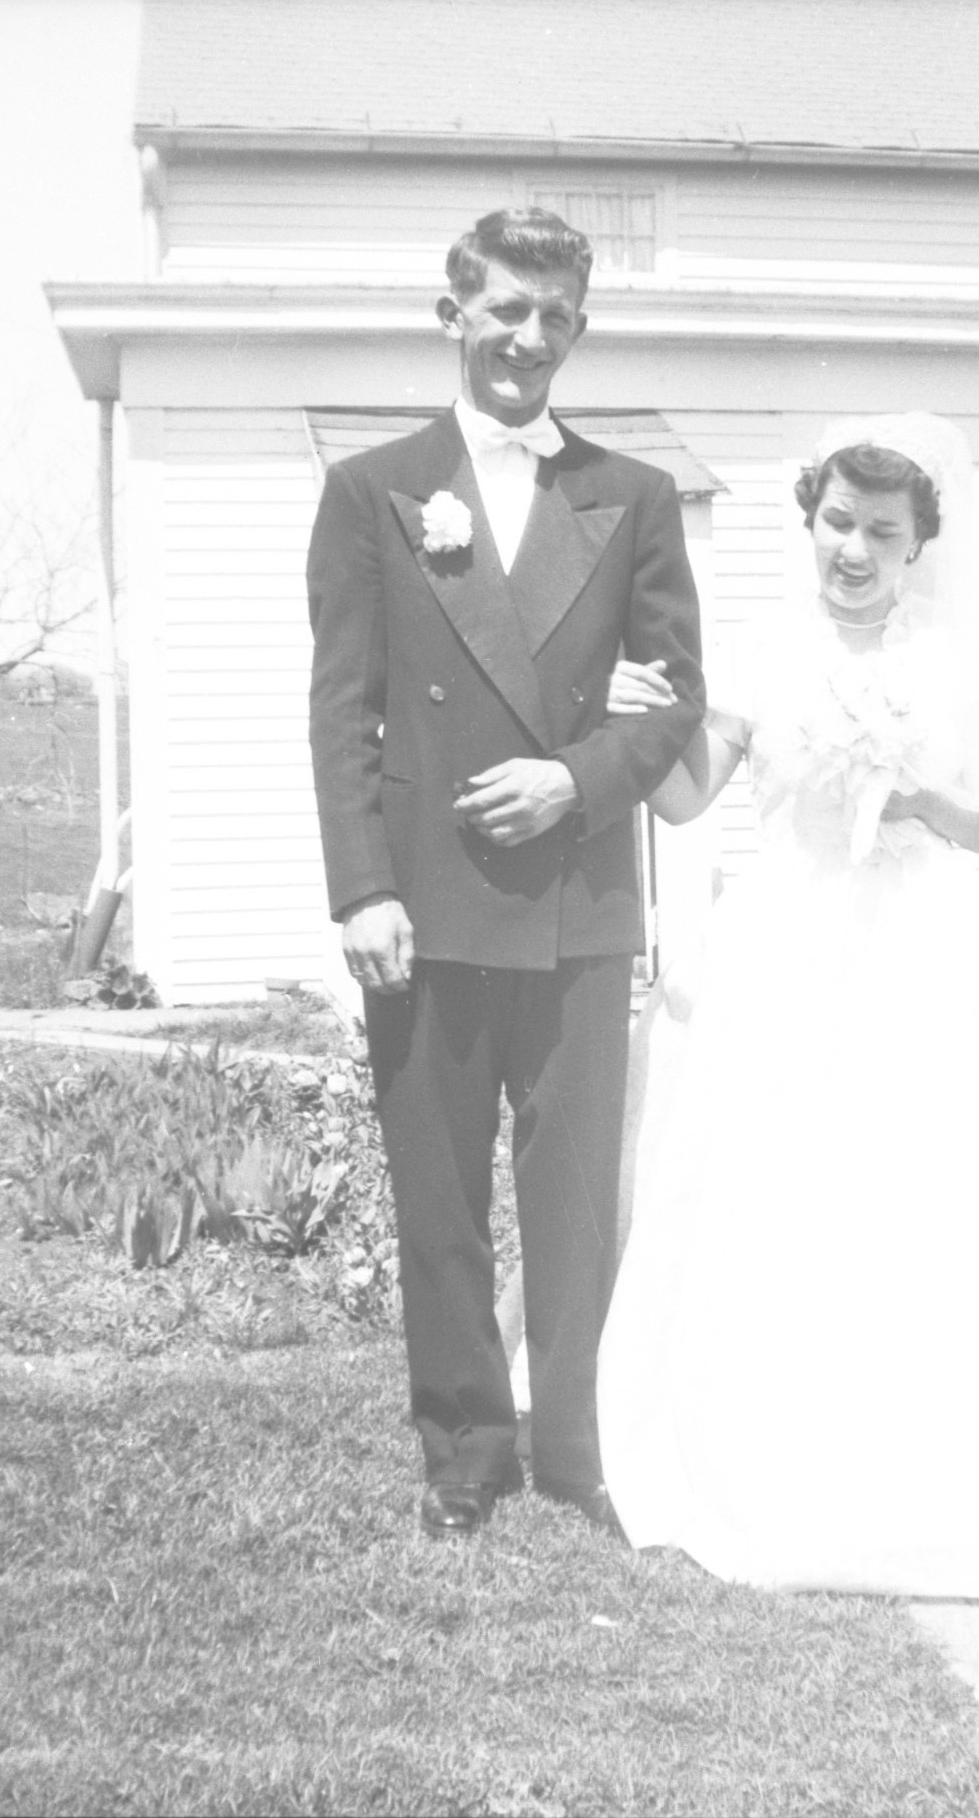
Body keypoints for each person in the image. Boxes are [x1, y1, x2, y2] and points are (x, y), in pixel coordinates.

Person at [594, 414, 979, 1597]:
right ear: (810, 518)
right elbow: (683, 800)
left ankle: (934, 1466)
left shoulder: (948, 662)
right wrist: (639, 726)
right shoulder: (761, 649)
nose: (854, 549)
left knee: (925, 1187)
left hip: (924, 947)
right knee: (785, 1186)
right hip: (788, 937)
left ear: (918, 543)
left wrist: (924, 795)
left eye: (882, 532)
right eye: (838, 521)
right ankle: (775, 1447)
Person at [306, 208, 704, 1540]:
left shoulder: (632, 496)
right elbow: (343, 706)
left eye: (557, 318)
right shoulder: (374, 490)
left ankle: (577, 1445)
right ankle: (466, 1451)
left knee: (574, 1195)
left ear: (580, 330)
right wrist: (362, 887)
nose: (531, 339)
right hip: (426, 896)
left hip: (581, 898)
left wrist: (573, 781)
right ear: (454, 317)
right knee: (439, 1192)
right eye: (508, 311)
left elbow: (674, 699)